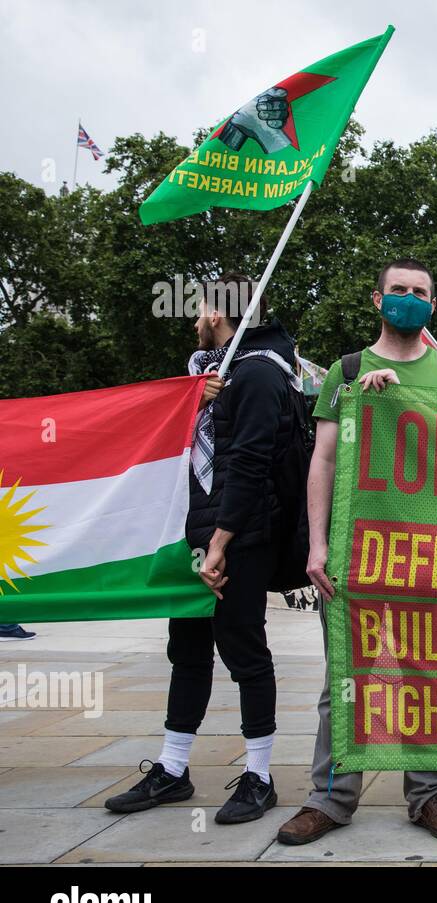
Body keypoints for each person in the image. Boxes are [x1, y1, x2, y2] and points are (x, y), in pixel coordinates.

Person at [277, 258, 437, 847]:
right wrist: (317, 546)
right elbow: (325, 460)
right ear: (377, 300)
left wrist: (402, 408)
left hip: (436, 554)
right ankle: (331, 799)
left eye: (420, 292)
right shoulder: (345, 372)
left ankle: (429, 795)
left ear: (432, 306)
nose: (409, 299)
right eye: (399, 290)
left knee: (433, 679)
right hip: (357, 556)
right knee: (347, 679)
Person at [106, 274, 303, 823]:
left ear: (219, 316)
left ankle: (259, 777)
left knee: (245, 652)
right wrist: (194, 404)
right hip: (195, 533)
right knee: (186, 652)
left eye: (201, 311)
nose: (194, 320)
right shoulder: (208, 379)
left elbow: (249, 462)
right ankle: (172, 770)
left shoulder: (261, 375)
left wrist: (220, 543)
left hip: (241, 536)